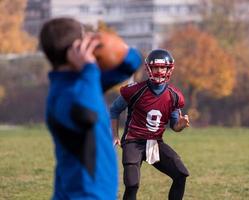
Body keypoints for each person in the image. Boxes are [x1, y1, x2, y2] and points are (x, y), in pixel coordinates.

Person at [39, 17, 142, 200]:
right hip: (83, 194)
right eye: (85, 38)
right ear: (76, 49)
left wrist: (106, 42)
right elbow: (89, 115)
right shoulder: (67, 94)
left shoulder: (84, 82)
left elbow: (133, 61)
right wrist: (89, 68)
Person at [110, 49, 190, 200]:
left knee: (181, 174)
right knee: (132, 184)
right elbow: (114, 110)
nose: (159, 71)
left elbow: (174, 126)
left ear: (169, 69)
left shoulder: (174, 95)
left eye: (162, 67)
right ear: (149, 68)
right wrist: (114, 135)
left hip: (155, 143)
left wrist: (181, 124)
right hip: (133, 142)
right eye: (155, 67)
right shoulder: (135, 90)